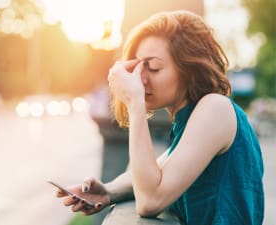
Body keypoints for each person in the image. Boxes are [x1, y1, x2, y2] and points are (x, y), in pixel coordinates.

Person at [54, 10, 264, 224]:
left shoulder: (215, 108)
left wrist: (134, 103)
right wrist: (107, 191)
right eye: (137, 67)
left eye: (153, 68)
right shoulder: (191, 120)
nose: (141, 79)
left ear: (189, 68)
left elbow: (150, 201)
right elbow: (158, 169)